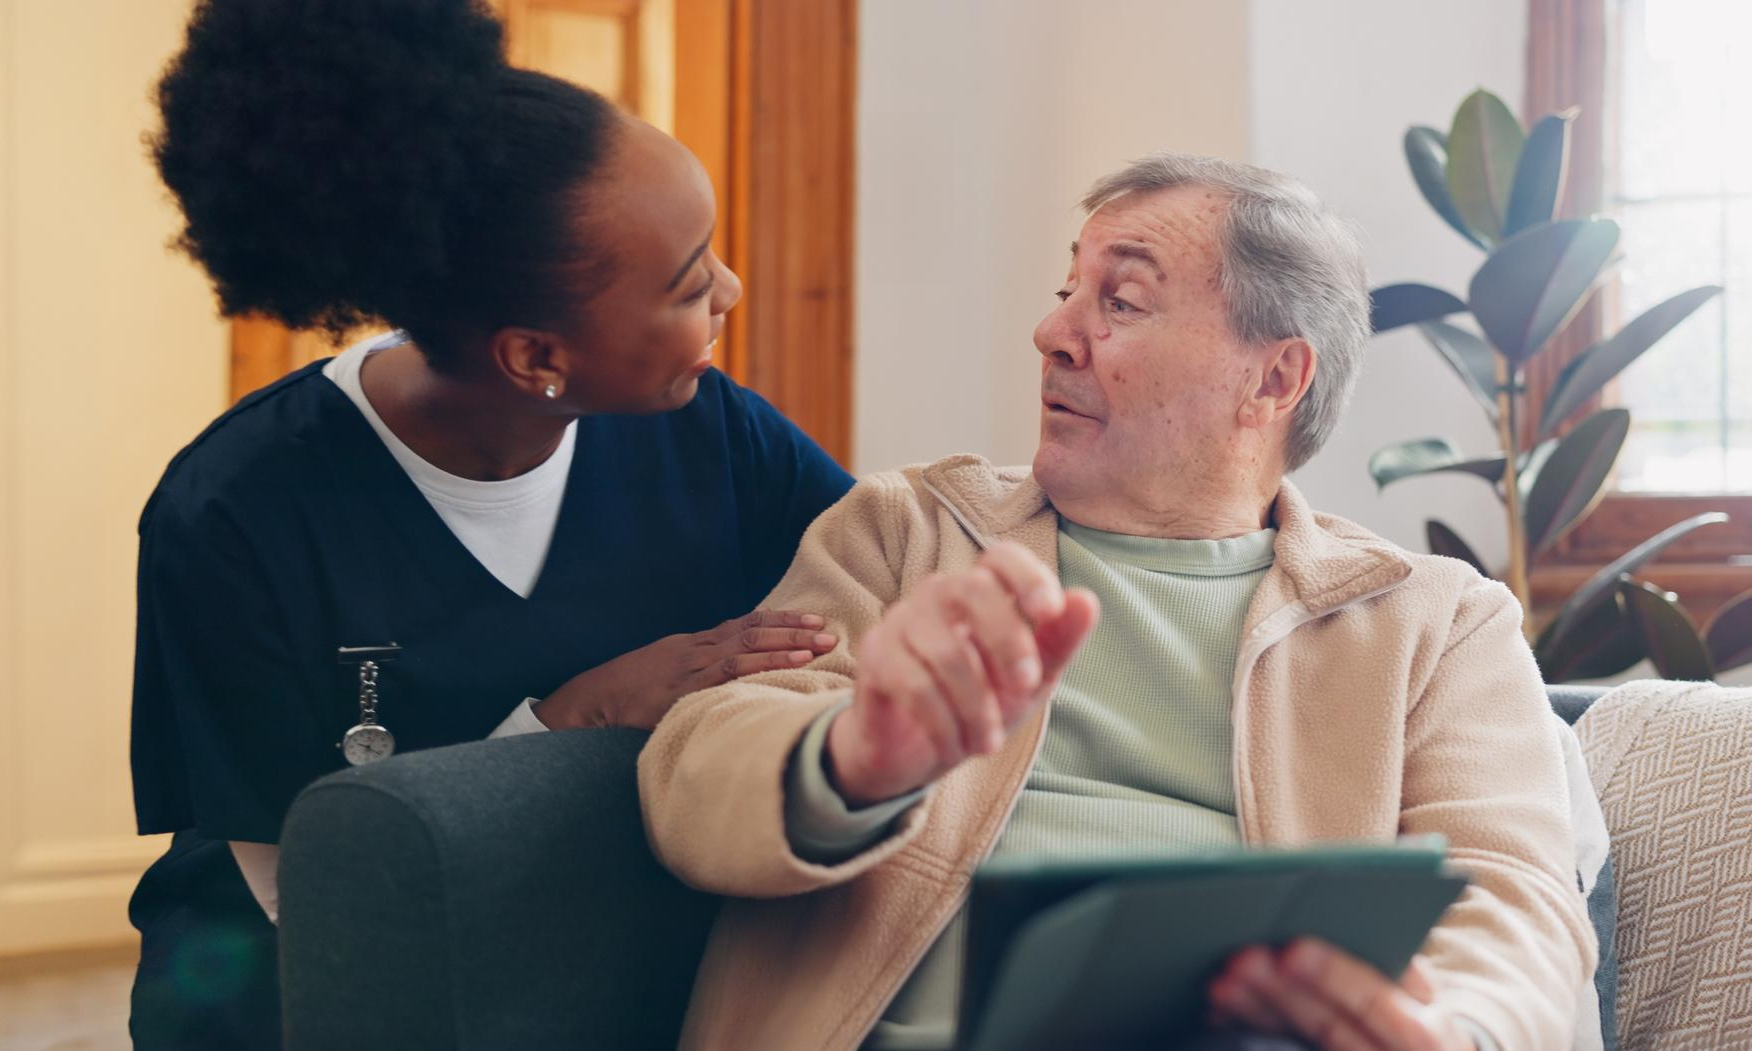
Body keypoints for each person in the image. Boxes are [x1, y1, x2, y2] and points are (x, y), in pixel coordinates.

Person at [639, 154, 1597, 1051]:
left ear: (1273, 379)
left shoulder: (1432, 621)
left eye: (1121, 302)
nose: (1053, 333)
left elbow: (1512, 903)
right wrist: (852, 759)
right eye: (1068, 294)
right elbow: (692, 777)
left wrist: (1446, 1029)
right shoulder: (910, 530)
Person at [126, 1, 853, 1046]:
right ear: (535, 358)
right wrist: (569, 723)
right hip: (296, 993)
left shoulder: (713, 435)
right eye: (690, 285)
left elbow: (879, 558)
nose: (730, 291)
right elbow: (312, 887)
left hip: (589, 966)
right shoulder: (234, 514)